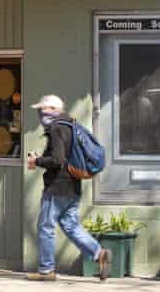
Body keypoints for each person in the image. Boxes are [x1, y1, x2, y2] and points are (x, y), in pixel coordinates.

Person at [26, 94, 112, 281]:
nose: (40, 113)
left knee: (46, 227)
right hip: (73, 185)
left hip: (57, 186)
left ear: (54, 109)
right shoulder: (71, 125)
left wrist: (36, 160)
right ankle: (99, 253)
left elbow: (58, 160)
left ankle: (46, 270)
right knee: (71, 225)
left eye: (43, 109)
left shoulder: (57, 128)